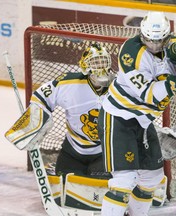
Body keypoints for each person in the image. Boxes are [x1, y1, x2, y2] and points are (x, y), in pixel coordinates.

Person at [97, 11, 176, 216]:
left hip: (144, 122)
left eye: (159, 40)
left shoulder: (174, 45)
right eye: (149, 40)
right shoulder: (131, 53)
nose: (154, 45)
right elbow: (150, 94)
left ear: (166, 36)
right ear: (142, 35)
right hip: (119, 118)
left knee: (152, 178)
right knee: (124, 181)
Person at [31, 43, 114, 179]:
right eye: (95, 62)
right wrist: (37, 121)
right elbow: (40, 97)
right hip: (72, 151)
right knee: (65, 187)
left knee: (99, 190)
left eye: (104, 62)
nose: (101, 66)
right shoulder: (69, 83)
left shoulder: (118, 87)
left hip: (104, 153)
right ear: (85, 66)